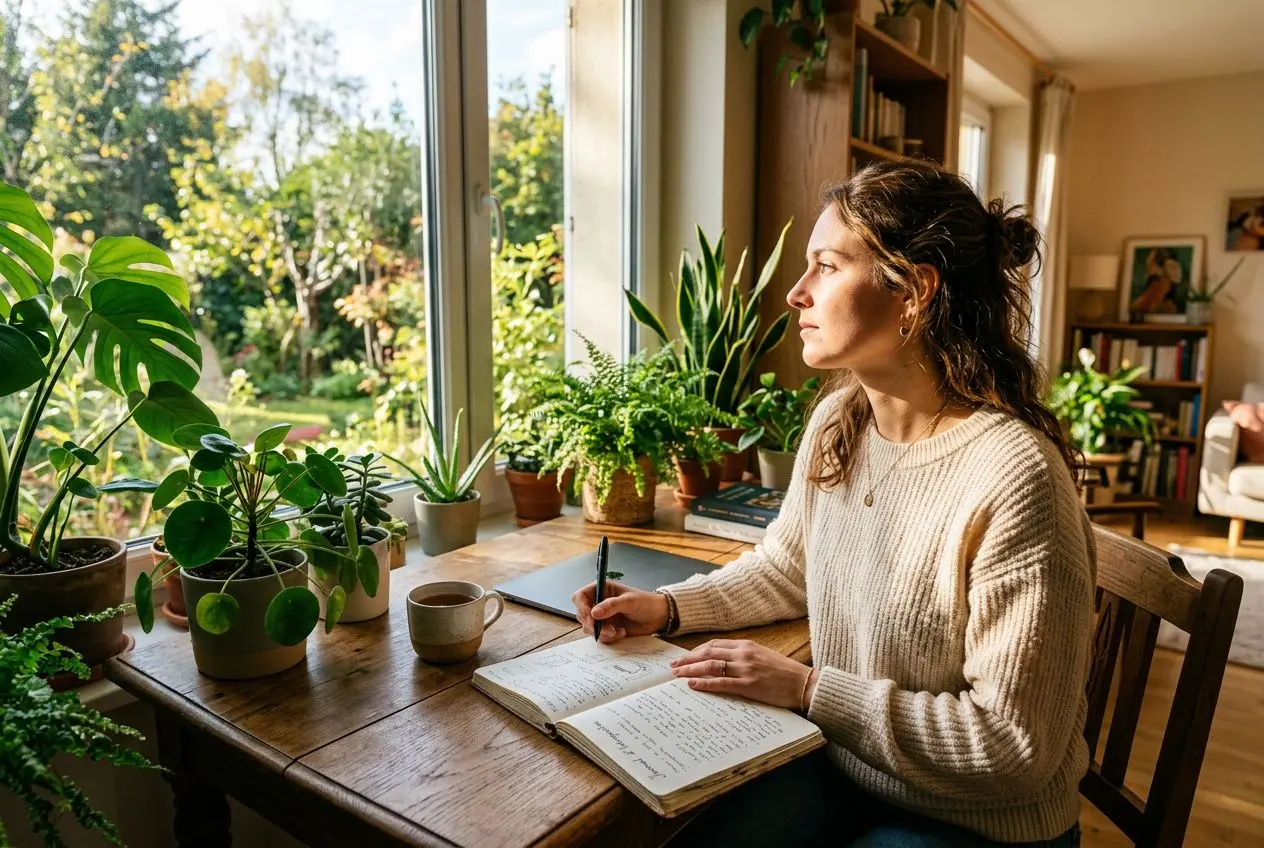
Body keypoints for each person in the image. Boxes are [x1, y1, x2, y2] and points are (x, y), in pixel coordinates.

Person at [572, 160, 1093, 847]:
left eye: (826, 265)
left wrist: (809, 690)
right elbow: (789, 567)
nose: (795, 293)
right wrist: (669, 607)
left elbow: (1013, 750)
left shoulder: (1014, 476)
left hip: (983, 822)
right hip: (855, 769)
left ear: (914, 292)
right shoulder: (841, 421)